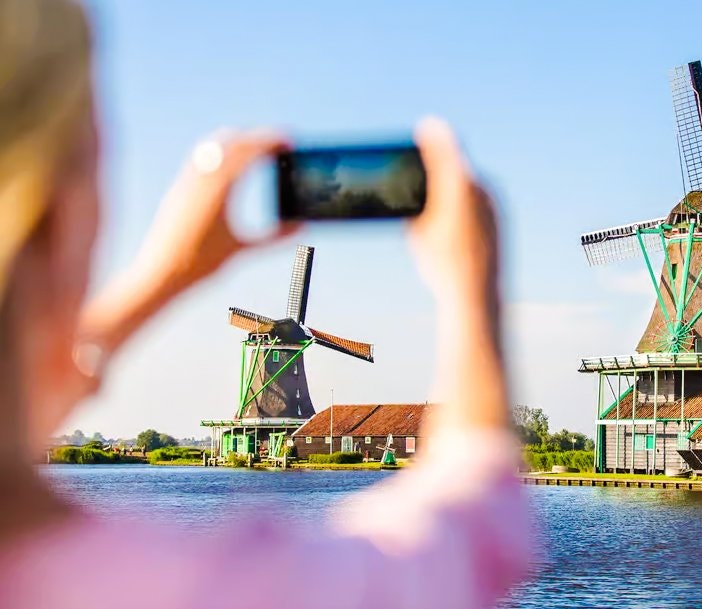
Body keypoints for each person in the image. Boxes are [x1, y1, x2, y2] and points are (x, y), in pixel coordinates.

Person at [0, 1, 531, 607]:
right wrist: (471, 286)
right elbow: (477, 516)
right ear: (58, 221)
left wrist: (161, 283)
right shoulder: (219, 591)